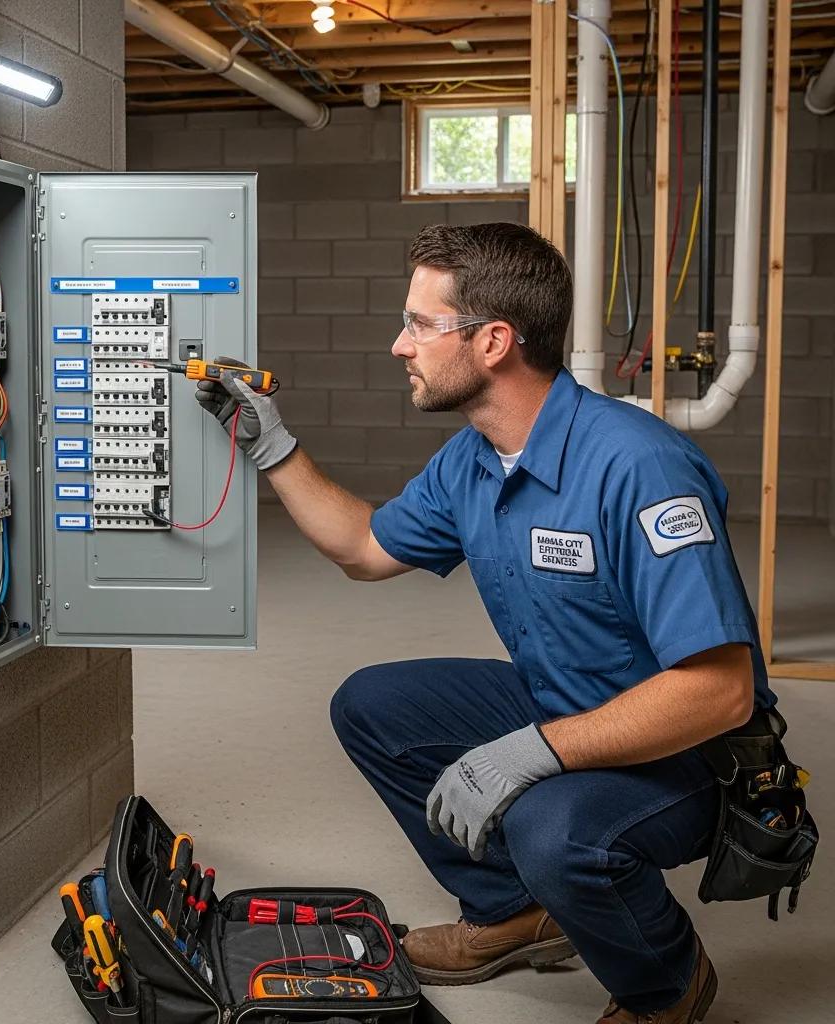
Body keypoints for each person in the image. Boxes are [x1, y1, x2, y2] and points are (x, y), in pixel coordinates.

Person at [194, 222, 776, 1024]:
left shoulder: (637, 467)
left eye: (421, 324)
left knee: (548, 825)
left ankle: (667, 985)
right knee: (372, 706)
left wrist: (533, 753)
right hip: (568, 704)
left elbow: (721, 694)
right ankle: (513, 913)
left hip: (689, 754)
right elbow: (365, 548)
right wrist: (274, 447)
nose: (401, 345)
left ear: (494, 340)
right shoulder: (474, 458)